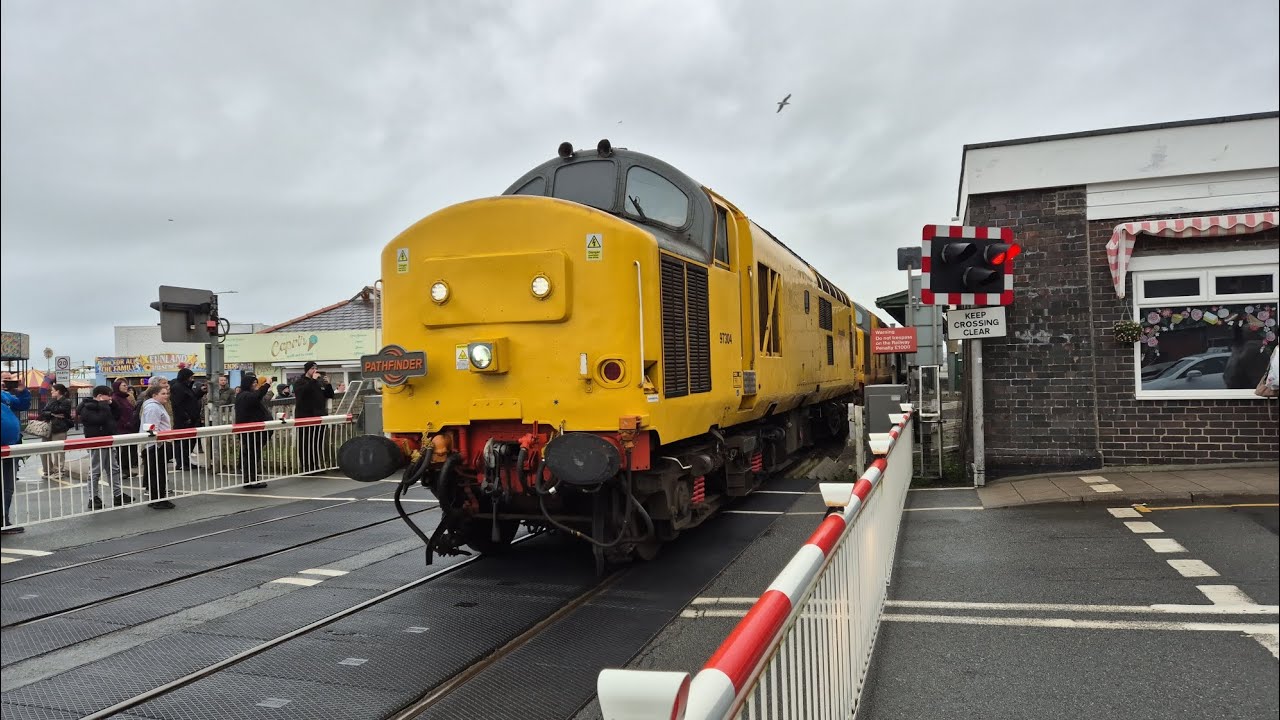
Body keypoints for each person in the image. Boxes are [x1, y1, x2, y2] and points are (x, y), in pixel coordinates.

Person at [77, 385, 133, 509]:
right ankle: (93, 497)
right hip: (97, 441)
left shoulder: (106, 406)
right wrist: (104, 406)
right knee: (96, 470)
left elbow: (117, 415)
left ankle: (118, 495)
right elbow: (99, 419)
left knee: (114, 468)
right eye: (108, 396)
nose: (110, 398)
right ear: (100, 396)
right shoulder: (87, 408)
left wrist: (113, 405)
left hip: (108, 440)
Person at [2, 373, 32, 534]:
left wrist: (22, 390)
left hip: (10, 448)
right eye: (3, 378)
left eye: (9, 379)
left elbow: (23, 405)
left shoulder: (6, 396)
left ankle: (3, 520)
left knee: (7, 487)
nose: (7, 381)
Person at [292, 362, 335, 473]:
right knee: (305, 442)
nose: (315, 370)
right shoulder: (300, 382)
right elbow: (303, 393)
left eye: (316, 368)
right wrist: (313, 380)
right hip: (305, 416)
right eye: (312, 368)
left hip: (319, 415)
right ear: (307, 370)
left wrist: (328, 384)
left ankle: (316, 465)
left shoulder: (318, 382)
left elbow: (330, 395)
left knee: (317, 442)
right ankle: (306, 467)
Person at [138, 383, 175, 509]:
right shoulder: (153, 407)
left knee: (158, 472)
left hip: (158, 444)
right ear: (154, 395)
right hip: (157, 445)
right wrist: (158, 442)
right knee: (158, 473)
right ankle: (158, 499)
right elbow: (152, 427)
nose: (166, 396)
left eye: (167, 393)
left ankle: (157, 498)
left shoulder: (156, 406)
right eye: (163, 393)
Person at [233, 374, 272, 489]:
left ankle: (251, 479)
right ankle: (250, 480)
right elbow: (258, 395)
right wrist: (267, 385)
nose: (255, 385)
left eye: (256, 382)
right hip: (251, 432)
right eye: (253, 383)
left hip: (254, 431)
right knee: (251, 456)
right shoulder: (245, 395)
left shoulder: (246, 395)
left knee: (252, 455)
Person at [168, 368, 206, 470]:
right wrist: (186, 417)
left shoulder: (186, 387)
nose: (192, 379)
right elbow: (178, 405)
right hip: (183, 421)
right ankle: (181, 463)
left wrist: (201, 392)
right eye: (190, 377)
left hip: (191, 419)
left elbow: (192, 399)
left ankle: (185, 461)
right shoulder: (178, 388)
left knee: (190, 442)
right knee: (182, 443)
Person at [38, 383, 74, 481]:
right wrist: (52, 414)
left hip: (60, 428)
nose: (51, 392)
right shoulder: (52, 401)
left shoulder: (66, 401)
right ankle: (48, 470)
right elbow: (43, 412)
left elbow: (59, 410)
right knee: (44, 450)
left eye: (53, 390)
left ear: (58, 391)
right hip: (48, 428)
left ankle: (59, 471)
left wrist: (50, 412)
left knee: (58, 451)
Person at [111, 379, 140, 477]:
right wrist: (125, 422)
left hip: (129, 427)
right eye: (123, 385)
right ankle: (120, 470)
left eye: (126, 385)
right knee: (121, 451)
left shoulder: (125, 398)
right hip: (121, 428)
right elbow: (117, 413)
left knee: (128, 450)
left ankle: (126, 469)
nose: (126, 387)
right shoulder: (115, 398)